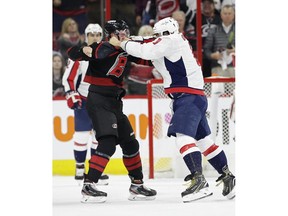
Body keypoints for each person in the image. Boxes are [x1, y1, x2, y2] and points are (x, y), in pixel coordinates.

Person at [109, 17, 235, 202]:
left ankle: (199, 181)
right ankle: (228, 177)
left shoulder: (171, 41)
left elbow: (147, 50)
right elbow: (147, 41)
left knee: (183, 137)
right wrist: (126, 40)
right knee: (204, 142)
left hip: (188, 98)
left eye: (157, 35)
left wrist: (124, 43)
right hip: (193, 97)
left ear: (165, 34)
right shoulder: (173, 40)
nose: (155, 37)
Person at [67, 19, 157, 203]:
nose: (125, 35)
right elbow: (72, 53)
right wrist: (83, 49)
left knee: (131, 143)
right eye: (122, 33)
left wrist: (154, 44)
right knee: (107, 142)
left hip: (115, 102)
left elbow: (147, 59)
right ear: (113, 34)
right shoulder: (100, 47)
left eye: (126, 32)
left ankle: (137, 184)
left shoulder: (125, 49)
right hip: (98, 100)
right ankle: (89, 184)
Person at [62, 23, 109, 185]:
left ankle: (95, 169)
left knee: (99, 137)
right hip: (84, 100)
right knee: (81, 135)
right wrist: (72, 94)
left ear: (101, 37)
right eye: (91, 35)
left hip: (101, 101)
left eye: (97, 35)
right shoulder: (79, 55)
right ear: (86, 37)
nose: (95, 38)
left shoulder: (107, 55)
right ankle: (80, 168)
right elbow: (68, 78)